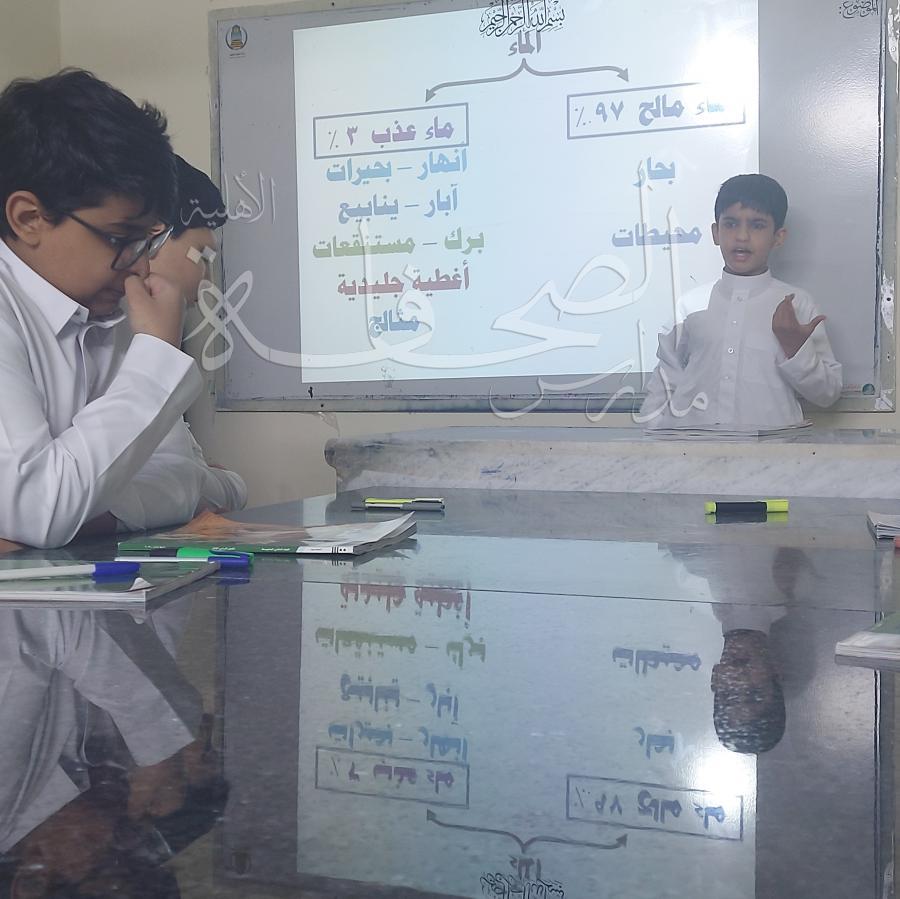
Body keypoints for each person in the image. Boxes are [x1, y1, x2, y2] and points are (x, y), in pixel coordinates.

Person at [0, 69, 243, 548]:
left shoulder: (107, 307)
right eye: (120, 238)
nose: (139, 265)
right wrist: (155, 355)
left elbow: (190, 479)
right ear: (28, 218)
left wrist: (91, 516)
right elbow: (39, 508)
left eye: (147, 240)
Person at [640, 174, 842, 431]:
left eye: (757, 225)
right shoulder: (690, 306)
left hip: (773, 450)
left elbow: (827, 393)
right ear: (716, 232)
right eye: (731, 224)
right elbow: (663, 386)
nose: (742, 236)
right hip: (692, 448)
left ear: (778, 237)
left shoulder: (797, 305)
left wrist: (795, 349)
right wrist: (651, 444)